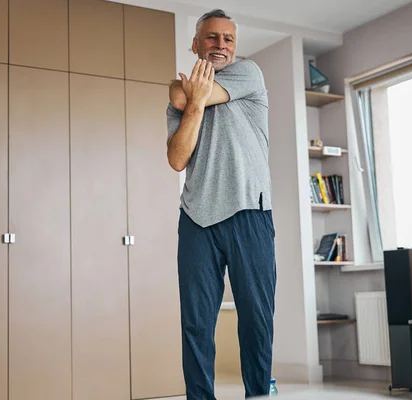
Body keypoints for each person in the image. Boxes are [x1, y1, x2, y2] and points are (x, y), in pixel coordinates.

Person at [165, 9, 276, 400]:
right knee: (196, 323)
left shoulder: (249, 74)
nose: (220, 45)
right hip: (196, 218)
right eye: (211, 38)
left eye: (228, 38)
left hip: (250, 211)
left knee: (256, 319)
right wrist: (192, 103)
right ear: (195, 45)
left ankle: (259, 394)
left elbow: (182, 92)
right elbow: (177, 159)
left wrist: (187, 96)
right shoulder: (179, 100)